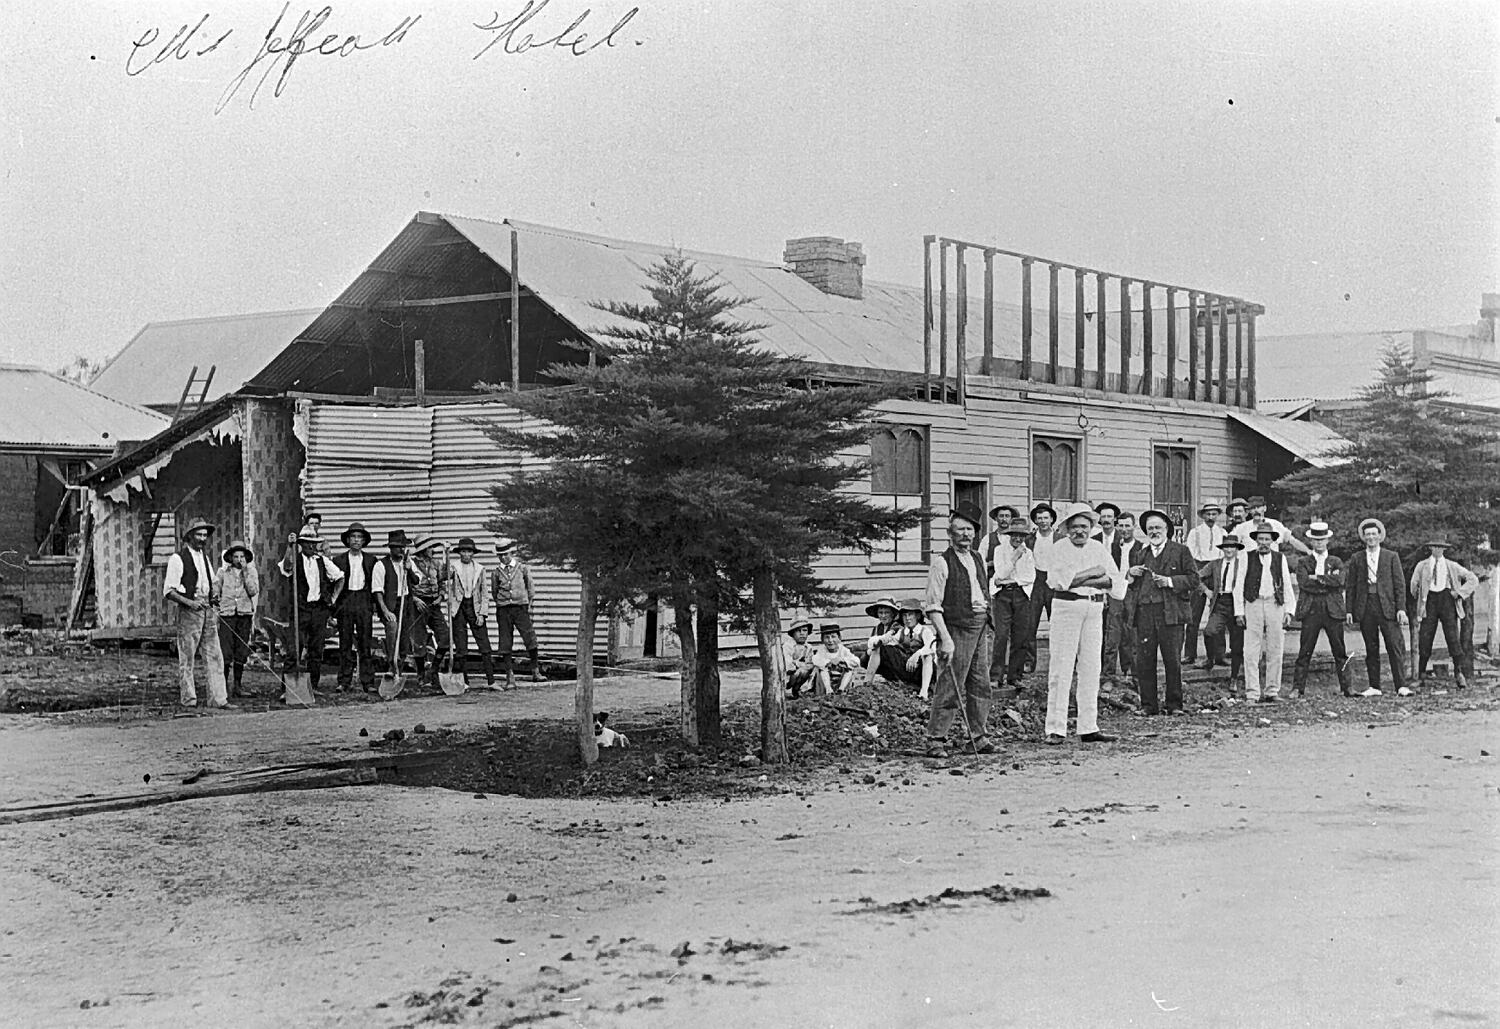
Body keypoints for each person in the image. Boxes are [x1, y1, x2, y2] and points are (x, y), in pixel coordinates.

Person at [922, 503, 998, 758]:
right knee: (950, 684)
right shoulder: (941, 563)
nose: (965, 534)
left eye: (970, 529)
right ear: (950, 533)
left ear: (975, 533)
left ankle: (978, 737)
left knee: (981, 684)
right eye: (960, 529)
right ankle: (936, 740)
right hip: (956, 628)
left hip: (980, 625)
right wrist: (946, 639)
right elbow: (933, 607)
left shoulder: (977, 557)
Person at [1045, 502, 1125, 744]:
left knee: (1091, 667)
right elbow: (1059, 582)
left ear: (1091, 527)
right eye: (1075, 527)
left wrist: (1084, 578)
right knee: (1062, 667)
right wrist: (1093, 573)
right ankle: (1056, 728)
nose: (1080, 531)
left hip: (1094, 608)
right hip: (1067, 607)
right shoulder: (1059, 548)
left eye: (1084, 526)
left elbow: (1115, 583)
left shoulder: (1098, 547)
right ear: (1067, 528)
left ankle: (1088, 726)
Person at [1123, 510, 1197, 716]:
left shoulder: (1180, 551)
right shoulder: (1141, 553)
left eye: (1158, 528)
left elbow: (1194, 580)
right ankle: (1148, 705)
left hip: (1170, 613)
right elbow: (1133, 587)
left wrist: (1170, 582)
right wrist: (1130, 574)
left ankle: (1174, 705)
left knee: (1172, 660)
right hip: (1145, 612)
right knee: (1145, 661)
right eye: (1150, 529)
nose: (1154, 531)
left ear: (1167, 530)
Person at [162, 517, 230, 711]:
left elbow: (210, 582)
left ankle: (218, 699)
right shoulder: (178, 559)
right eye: (198, 535)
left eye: (204, 535)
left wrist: (214, 595)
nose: (202, 539)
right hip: (189, 613)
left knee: (215, 655)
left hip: (207, 611)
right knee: (187, 658)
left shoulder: (204, 557)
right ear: (190, 536)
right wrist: (190, 603)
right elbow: (169, 591)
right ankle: (189, 700)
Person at [1345, 517, 1409, 697]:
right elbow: (1351, 586)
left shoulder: (1391, 556)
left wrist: (1401, 608)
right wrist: (1349, 610)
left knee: (1394, 646)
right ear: (1363, 537)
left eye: (1374, 534)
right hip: (1366, 606)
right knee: (1371, 647)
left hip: (1387, 606)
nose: (1371, 537)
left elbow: (1399, 584)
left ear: (1380, 536)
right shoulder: (1357, 558)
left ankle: (1401, 685)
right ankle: (1374, 686)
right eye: (1367, 535)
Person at [1234, 522, 1297, 703]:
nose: (1263, 543)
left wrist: (1289, 610)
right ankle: (1252, 693)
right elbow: (1239, 585)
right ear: (1255, 540)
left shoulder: (1280, 558)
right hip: (1253, 603)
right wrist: (1239, 611)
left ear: (1272, 541)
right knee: (1251, 650)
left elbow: (1286, 584)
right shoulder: (1246, 557)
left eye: (1267, 539)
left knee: (1275, 648)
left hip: (1274, 603)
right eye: (1260, 539)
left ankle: (1272, 691)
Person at [280, 527, 344, 691]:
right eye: (307, 543)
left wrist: (332, 598)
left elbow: (340, 577)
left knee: (316, 650)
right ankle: (288, 688)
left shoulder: (322, 561)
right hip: (300, 609)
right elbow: (287, 567)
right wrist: (289, 546)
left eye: (313, 543)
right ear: (301, 544)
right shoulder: (295, 558)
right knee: (295, 648)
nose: (311, 546)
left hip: (318, 610)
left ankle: (312, 686)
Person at [1291, 521, 1351, 696]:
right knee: (1305, 650)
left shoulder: (1336, 561)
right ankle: (1297, 688)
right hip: (1311, 609)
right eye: (1315, 540)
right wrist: (1326, 580)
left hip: (1332, 608)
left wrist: (1316, 577)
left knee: (1340, 650)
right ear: (1311, 542)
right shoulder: (1303, 562)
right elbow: (1304, 583)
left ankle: (1347, 687)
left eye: (1322, 540)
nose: (1319, 543)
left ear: (1327, 541)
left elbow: (1339, 582)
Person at [1410, 540, 1475, 689]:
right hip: (1429, 602)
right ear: (1430, 548)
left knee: (1452, 637)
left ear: (1444, 549)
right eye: (1435, 547)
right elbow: (1414, 585)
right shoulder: (1422, 565)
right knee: (1425, 638)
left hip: (1447, 601)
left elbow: (1473, 579)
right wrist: (1421, 598)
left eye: (1441, 547)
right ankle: (1421, 675)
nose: (1438, 550)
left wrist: (1459, 593)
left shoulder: (1451, 565)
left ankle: (1459, 674)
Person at [332, 522, 379, 692]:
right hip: (346, 601)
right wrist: (334, 608)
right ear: (348, 540)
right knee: (345, 643)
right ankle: (344, 681)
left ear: (364, 541)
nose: (356, 540)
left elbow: (375, 585)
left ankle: (368, 681)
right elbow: (334, 585)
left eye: (360, 537)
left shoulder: (371, 560)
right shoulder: (338, 560)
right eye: (353, 537)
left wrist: (373, 606)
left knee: (365, 643)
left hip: (363, 601)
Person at [989, 521, 1035, 688]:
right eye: (1014, 535)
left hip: (1021, 595)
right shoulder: (999, 550)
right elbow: (1000, 573)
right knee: (1001, 636)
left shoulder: (1028, 553)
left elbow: (1030, 577)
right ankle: (996, 676)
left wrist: (1011, 580)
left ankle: (1015, 676)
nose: (1017, 538)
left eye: (1021, 536)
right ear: (1009, 536)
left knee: (1020, 636)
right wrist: (1014, 558)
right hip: (1002, 595)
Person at [492, 537, 544, 688]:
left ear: (512, 553)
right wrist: (503, 603)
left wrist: (527, 604)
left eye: (506, 554)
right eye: (500, 555)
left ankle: (535, 671)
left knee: (530, 638)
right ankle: (510, 677)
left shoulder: (522, 568)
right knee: (505, 642)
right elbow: (495, 592)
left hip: (521, 608)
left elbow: (531, 589)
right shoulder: (496, 573)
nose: (503, 558)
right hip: (504, 610)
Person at [1092, 502, 1132, 688]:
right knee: (1107, 632)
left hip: (1125, 590)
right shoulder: (1094, 540)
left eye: (1109, 517)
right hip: (1102, 588)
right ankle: (1105, 672)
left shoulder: (1124, 540)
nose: (1106, 520)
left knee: (1125, 631)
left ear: (1115, 520)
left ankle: (1127, 669)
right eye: (1103, 516)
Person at [447, 537, 496, 687]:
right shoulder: (453, 567)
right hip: (459, 607)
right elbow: (445, 581)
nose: (466, 554)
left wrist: (482, 613)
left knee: (484, 645)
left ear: (473, 553)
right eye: (463, 551)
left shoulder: (480, 569)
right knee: (461, 647)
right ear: (459, 553)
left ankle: (491, 681)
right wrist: (445, 556)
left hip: (475, 607)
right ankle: (464, 682)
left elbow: (484, 594)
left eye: (469, 551)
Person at [372, 529, 420, 679]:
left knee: (405, 637)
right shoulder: (381, 565)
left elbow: (417, 580)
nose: (400, 549)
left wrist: (409, 569)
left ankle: (399, 666)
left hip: (406, 603)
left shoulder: (409, 562)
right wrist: (385, 611)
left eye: (402, 546)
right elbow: (377, 591)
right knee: (392, 630)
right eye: (397, 547)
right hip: (390, 605)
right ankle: (392, 664)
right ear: (390, 548)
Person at [1184, 499, 1225, 665]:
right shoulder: (1195, 532)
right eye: (1208, 514)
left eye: (1214, 514)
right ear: (1203, 516)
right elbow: (1190, 554)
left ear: (1217, 515)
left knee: (1218, 611)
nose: (1211, 516)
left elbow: (1224, 555)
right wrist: (1196, 575)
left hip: (1216, 568)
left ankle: (1219, 655)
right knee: (1194, 613)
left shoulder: (1222, 533)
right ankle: (1190, 654)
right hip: (1199, 568)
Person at [1200, 536, 1246, 684]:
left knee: (1236, 642)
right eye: (1226, 547)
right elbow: (1196, 576)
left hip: (1236, 604)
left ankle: (1234, 677)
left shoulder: (1243, 565)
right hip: (1219, 602)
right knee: (1209, 631)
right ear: (1222, 549)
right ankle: (1210, 659)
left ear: (1237, 549)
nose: (1229, 550)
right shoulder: (1215, 564)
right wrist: (1206, 590)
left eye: (1232, 547)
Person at [216, 539, 258, 698]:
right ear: (230, 558)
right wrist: (216, 605)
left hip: (244, 615)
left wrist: (246, 572)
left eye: (242, 556)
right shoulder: (222, 572)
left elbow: (253, 591)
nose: (239, 560)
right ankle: (223, 687)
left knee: (241, 649)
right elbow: (215, 591)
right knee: (226, 650)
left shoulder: (251, 572)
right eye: (236, 556)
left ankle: (238, 686)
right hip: (227, 615)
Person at [410, 535, 452, 687]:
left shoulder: (437, 563)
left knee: (446, 637)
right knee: (419, 642)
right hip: (418, 604)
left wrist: (441, 596)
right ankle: (421, 675)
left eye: (432, 547)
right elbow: (406, 583)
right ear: (422, 550)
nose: (431, 550)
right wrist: (414, 599)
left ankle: (434, 669)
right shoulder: (412, 564)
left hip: (434, 604)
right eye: (428, 548)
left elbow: (443, 580)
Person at [1023, 502, 1058, 675]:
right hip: (1036, 581)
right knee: (1030, 624)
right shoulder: (1029, 539)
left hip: (1054, 581)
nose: (1043, 521)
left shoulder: (1060, 538)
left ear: (1051, 519)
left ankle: (1059, 661)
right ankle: (1030, 662)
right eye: (1039, 518)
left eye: (1046, 518)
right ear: (1035, 521)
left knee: (1057, 623)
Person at [1230, 496, 1312, 557]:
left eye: (1258, 507)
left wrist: (1308, 551)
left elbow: (1292, 540)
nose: (1256, 511)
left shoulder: (1275, 525)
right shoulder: (1242, 528)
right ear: (1249, 511)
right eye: (1252, 508)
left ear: (1264, 508)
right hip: (1250, 567)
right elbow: (1229, 543)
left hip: (1271, 564)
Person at [811, 624, 860, 694]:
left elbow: (856, 661)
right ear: (822, 640)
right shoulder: (822, 650)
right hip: (826, 681)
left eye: (833, 637)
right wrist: (829, 662)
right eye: (827, 637)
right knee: (822, 670)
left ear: (839, 638)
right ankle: (828, 690)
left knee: (849, 670)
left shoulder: (843, 650)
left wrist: (842, 660)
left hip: (840, 678)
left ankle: (841, 689)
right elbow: (815, 660)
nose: (830, 640)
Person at [862, 596, 902, 683]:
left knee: (878, 648)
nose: (883, 616)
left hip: (896, 660)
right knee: (863, 656)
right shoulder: (877, 628)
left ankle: (868, 680)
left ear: (892, 613)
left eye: (886, 612)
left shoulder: (897, 627)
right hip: (880, 660)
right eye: (880, 612)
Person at [782, 619, 818, 699]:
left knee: (808, 670)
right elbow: (788, 662)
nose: (802, 633)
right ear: (793, 633)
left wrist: (808, 665)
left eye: (805, 630)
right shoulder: (788, 646)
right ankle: (788, 689)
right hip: (789, 674)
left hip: (802, 672)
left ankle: (797, 690)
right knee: (800, 671)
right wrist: (798, 664)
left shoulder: (808, 647)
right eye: (798, 631)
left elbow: (810, 662)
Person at [981, 504, 1019, 571]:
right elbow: (979, 562)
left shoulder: (1017, 539)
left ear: (1011, 519)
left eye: (1007, 516)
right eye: (1001, 516)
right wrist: (990, 564)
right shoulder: (988, 539)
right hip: (993, 578)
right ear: (996, 518)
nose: (1004, 519)